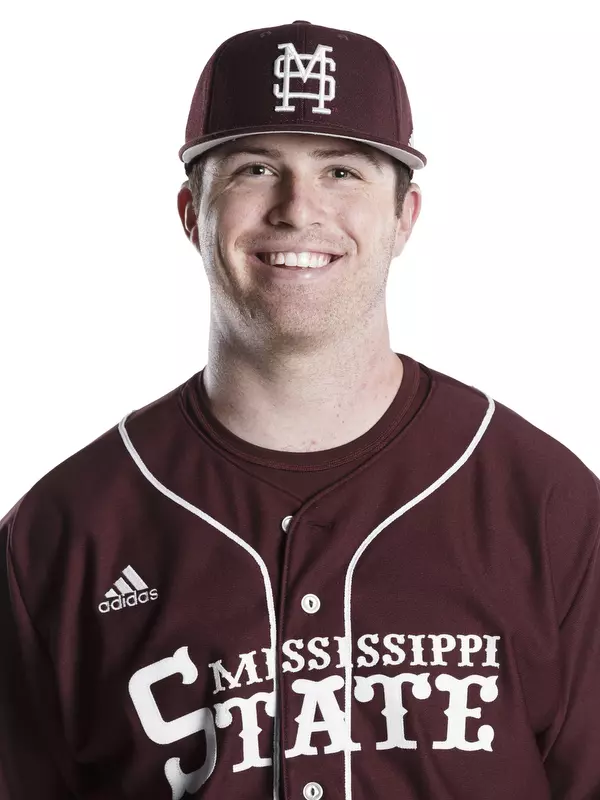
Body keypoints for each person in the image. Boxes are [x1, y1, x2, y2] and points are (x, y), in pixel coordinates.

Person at [1, 19, 599, 800]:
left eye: (343, 172)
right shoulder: (62, 535)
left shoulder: (547, 505)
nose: (296, 210)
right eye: (255, 168)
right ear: (193, 213)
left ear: (405, 216)